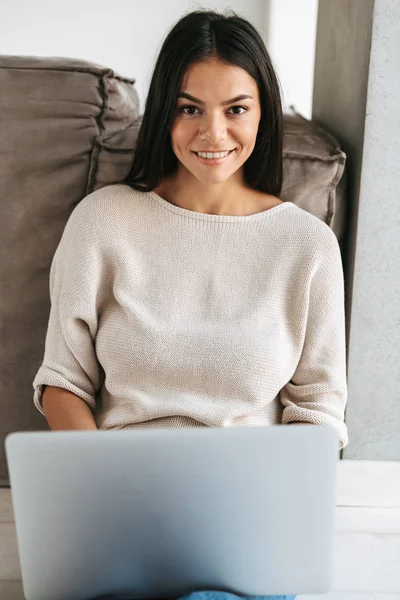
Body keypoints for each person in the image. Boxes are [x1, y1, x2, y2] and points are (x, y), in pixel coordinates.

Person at [33, 8, 349, 600]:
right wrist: (105, 490)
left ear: (262, 113)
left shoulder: (306, 247)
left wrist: (267, 505)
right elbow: (62, 383)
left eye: (236, 109)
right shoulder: (103, 223)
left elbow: (319, 412)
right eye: (189, 109)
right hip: (116, 515)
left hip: (246, 529)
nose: (213, 135)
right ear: (164, 114)